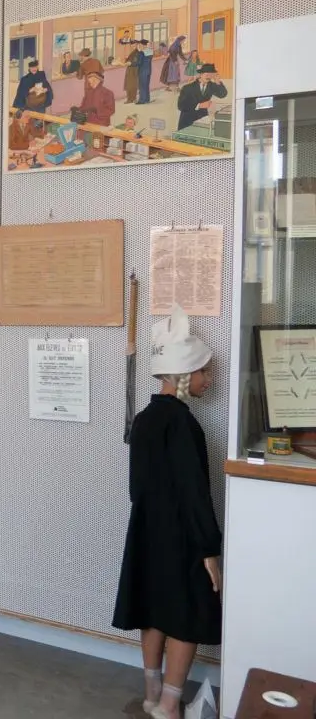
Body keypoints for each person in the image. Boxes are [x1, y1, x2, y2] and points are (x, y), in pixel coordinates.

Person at [113, 303, 222, 719]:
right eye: (204, 372)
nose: (208, 379)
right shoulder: (184, 425)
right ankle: (171, 705)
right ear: (183, 375)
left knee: (153, 610)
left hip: (146, 530)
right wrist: (208, 549)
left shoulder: (144, 419)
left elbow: (136, 487)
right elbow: (194, 492)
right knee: (185, 616)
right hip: (183, 537)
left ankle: (152, 695)